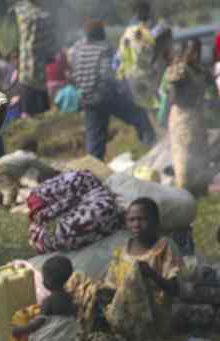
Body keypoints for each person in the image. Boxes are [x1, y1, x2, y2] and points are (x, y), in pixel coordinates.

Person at [68, 198, 182, 341]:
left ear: (155, 221)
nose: (136, 224)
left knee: (133, 280)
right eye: (132, 220)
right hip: (120, 309)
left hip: (152, 314)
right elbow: (111, 286)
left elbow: (174, 290)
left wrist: (150, 274)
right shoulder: (122, 251)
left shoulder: (164, 246)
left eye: (142, 219)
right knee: (79, 282)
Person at [71, 20, 155, 160]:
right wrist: (123, 89)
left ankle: (94, 170)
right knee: (139, 115)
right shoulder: (104, 48)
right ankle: (151, 149)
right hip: (104, 95)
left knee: (94, 139)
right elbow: (107, 75)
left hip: (86, 97)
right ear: (101, 33)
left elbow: (74, 67)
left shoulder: (77, 48)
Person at [165, 39, 214, 196]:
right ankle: (184, 192)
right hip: (182, 116)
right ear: (186, 51)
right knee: (184, 155)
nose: (196, 54)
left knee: (200, 152)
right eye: (193, 50)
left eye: (198, 50)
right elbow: (173, 95)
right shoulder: (180, 70)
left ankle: (201, 189)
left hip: (196, 115)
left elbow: (211, 86)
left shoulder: (199, 70)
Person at [12, 256, 78, 341]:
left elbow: (37, 325)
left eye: (44, 277)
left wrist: (20, 330)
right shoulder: (69, 298)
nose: (42, 281)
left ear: (50, 280)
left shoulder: (49, 301)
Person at [0, 138, 58, 208]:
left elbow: (14, 171)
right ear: (31, 147)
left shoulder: (17, 154)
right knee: (11, 190)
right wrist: (57, 173)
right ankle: (7, 208)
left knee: (0, 194)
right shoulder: (29, 156)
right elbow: (44, 168)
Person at [13, 0, 56, 117]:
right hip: (40, 74)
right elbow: (51, 49)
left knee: (26, 115)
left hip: (25, 74)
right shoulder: (46, 18)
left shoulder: (20, 11)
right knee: (41, 116)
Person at [116, 1, 157, 108]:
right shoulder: (147, 33)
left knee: (140, 108)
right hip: (145, 75)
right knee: (150, 106)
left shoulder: (127, 32)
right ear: (149, 14)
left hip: (130, 76)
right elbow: (150, 55)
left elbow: (120, 56)